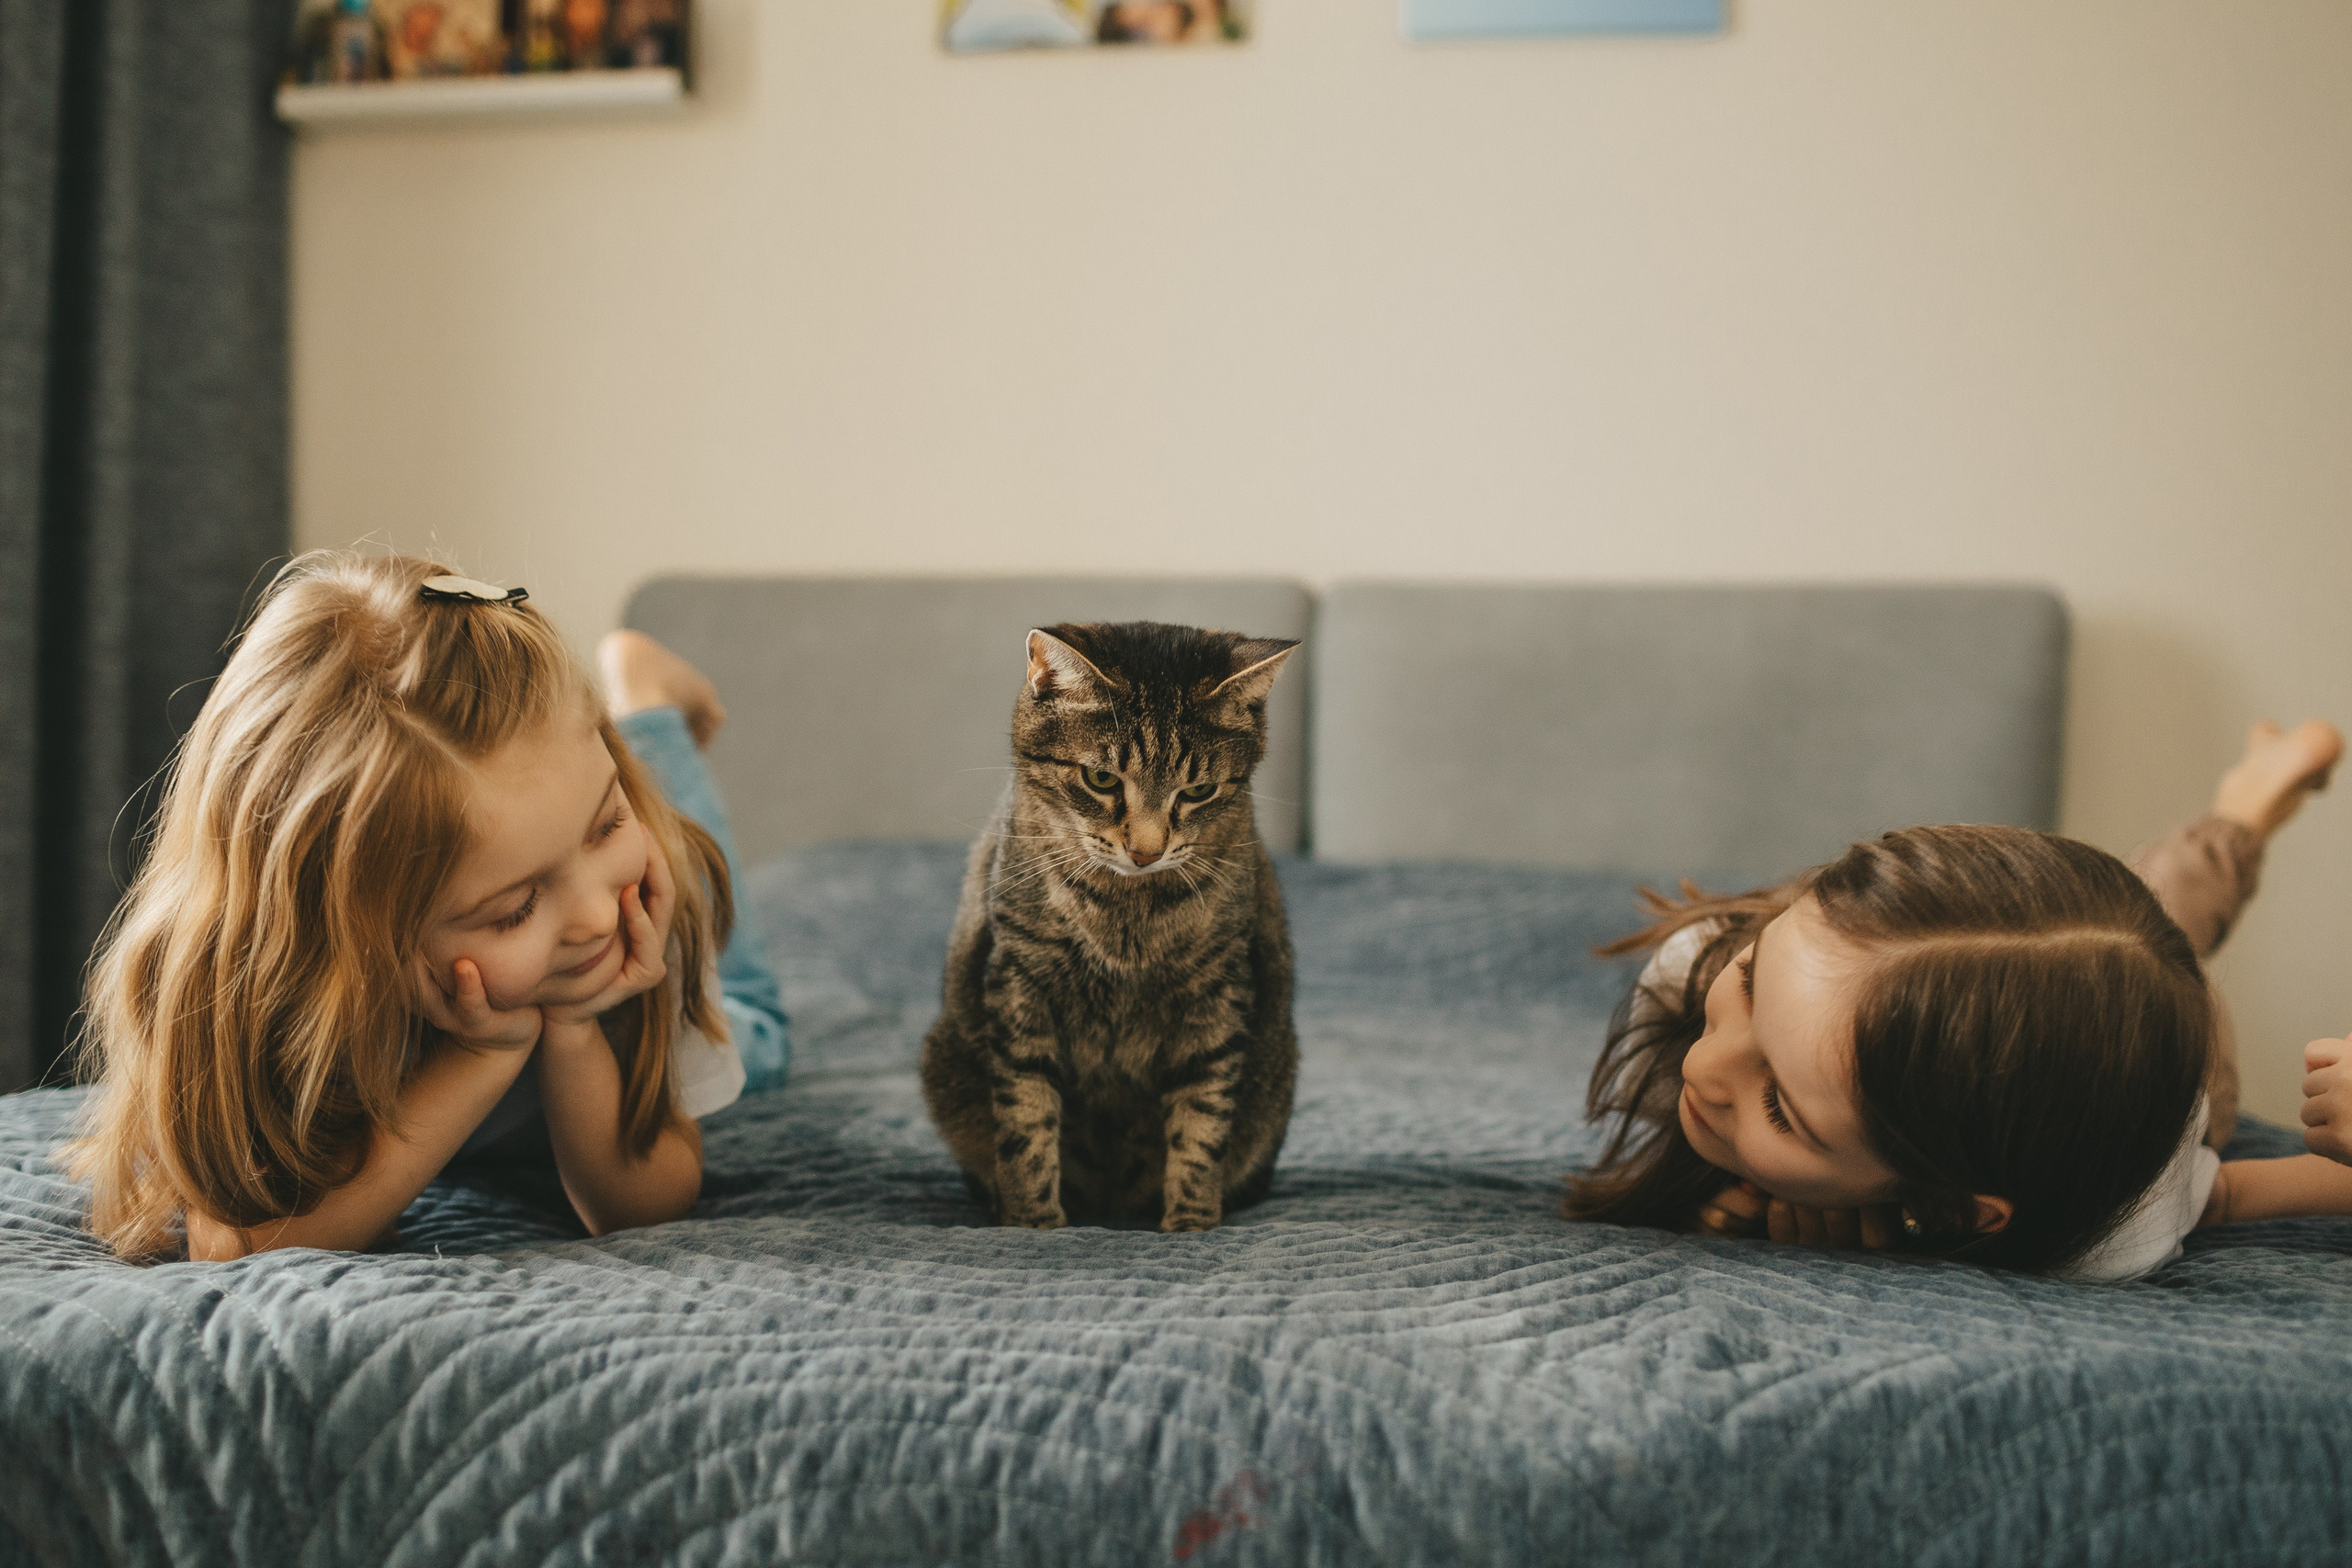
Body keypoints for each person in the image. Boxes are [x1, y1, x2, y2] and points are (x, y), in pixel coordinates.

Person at [68, 552, 787, 1261]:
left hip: (664, 906)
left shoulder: (636, 908)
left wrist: (573, 1029)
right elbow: (235, 1244)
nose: (597, 917)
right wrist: (483, 1054)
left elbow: (648, 1205)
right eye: (514, 910)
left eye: (604, 825)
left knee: (758, 1027)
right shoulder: (284, 993)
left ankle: (646, 707)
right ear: (351, 934)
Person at [1568, 719, 2348, 1280]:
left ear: (1957, 1207)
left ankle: (2244, 810)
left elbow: (2237, 1188)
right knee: (2148, 904)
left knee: (2167, 925)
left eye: (1779, 1106)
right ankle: (2241, 810)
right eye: (1748, 980)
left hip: (2181, 1069)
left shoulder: (2122, 1220)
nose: (1703, 1067)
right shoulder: (1693, 970)